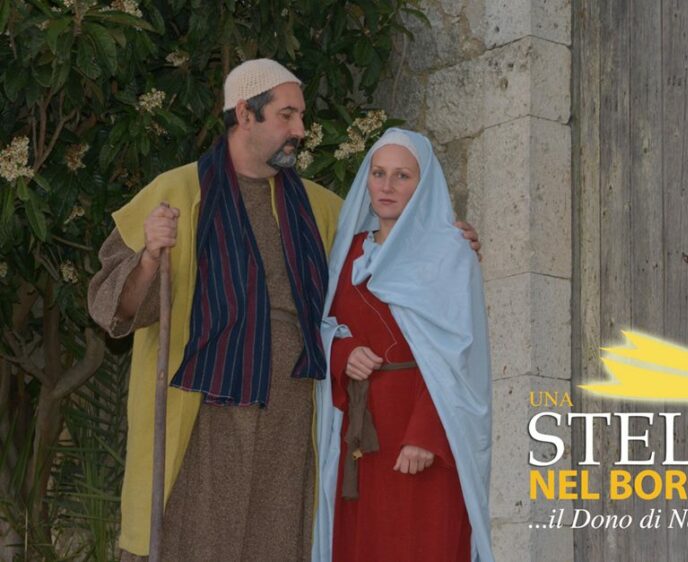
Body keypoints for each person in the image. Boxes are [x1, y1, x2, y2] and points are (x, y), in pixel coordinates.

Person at [88, 60, 480, 561]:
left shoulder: (322, 207)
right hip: (202, 417)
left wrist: (449, 240)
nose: (300, 129)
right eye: (287, 115)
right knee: (191, 543)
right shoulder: (176, 193)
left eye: (301, 116)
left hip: (292, 420)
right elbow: (109, 306)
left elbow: (394, 246)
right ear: (244, 115)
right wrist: (148, 257)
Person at [313, 129, 494, 562]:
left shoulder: (450, 252)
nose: (387, 186)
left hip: (423, 434)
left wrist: (426, 434)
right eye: (379, 173)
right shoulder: (347, 253)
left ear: (423, 184)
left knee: (421, 544)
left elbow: (459, 352)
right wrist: (342, 354)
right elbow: (323, 325)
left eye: (402, 176)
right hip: (360, 432)